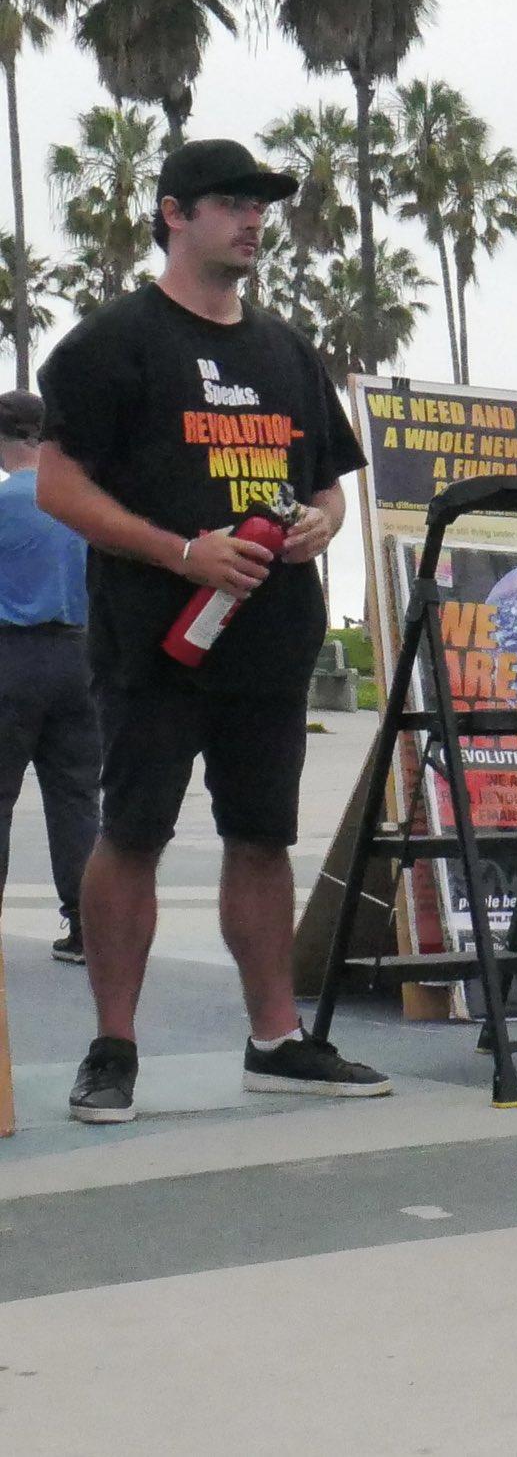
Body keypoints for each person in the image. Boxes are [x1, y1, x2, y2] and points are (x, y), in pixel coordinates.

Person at [35, 138, 388, 1122]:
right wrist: (182, 551)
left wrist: (321, 523)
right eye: (231, 202)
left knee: (262, 836)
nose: (253, 219)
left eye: (260, 204)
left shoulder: (287, 353)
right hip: (154, 641)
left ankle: (275, 1039)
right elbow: (58, 485)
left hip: (270, 644)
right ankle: (113, 1047)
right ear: (174, 213)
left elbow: (329, 487)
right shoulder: (112, 344)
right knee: (133, 832)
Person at [0, 390, 99, 963]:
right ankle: (85, 927)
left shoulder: (5, 503)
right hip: (80, 656)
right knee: (77, 796)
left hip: (11, 656)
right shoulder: (79, 503)